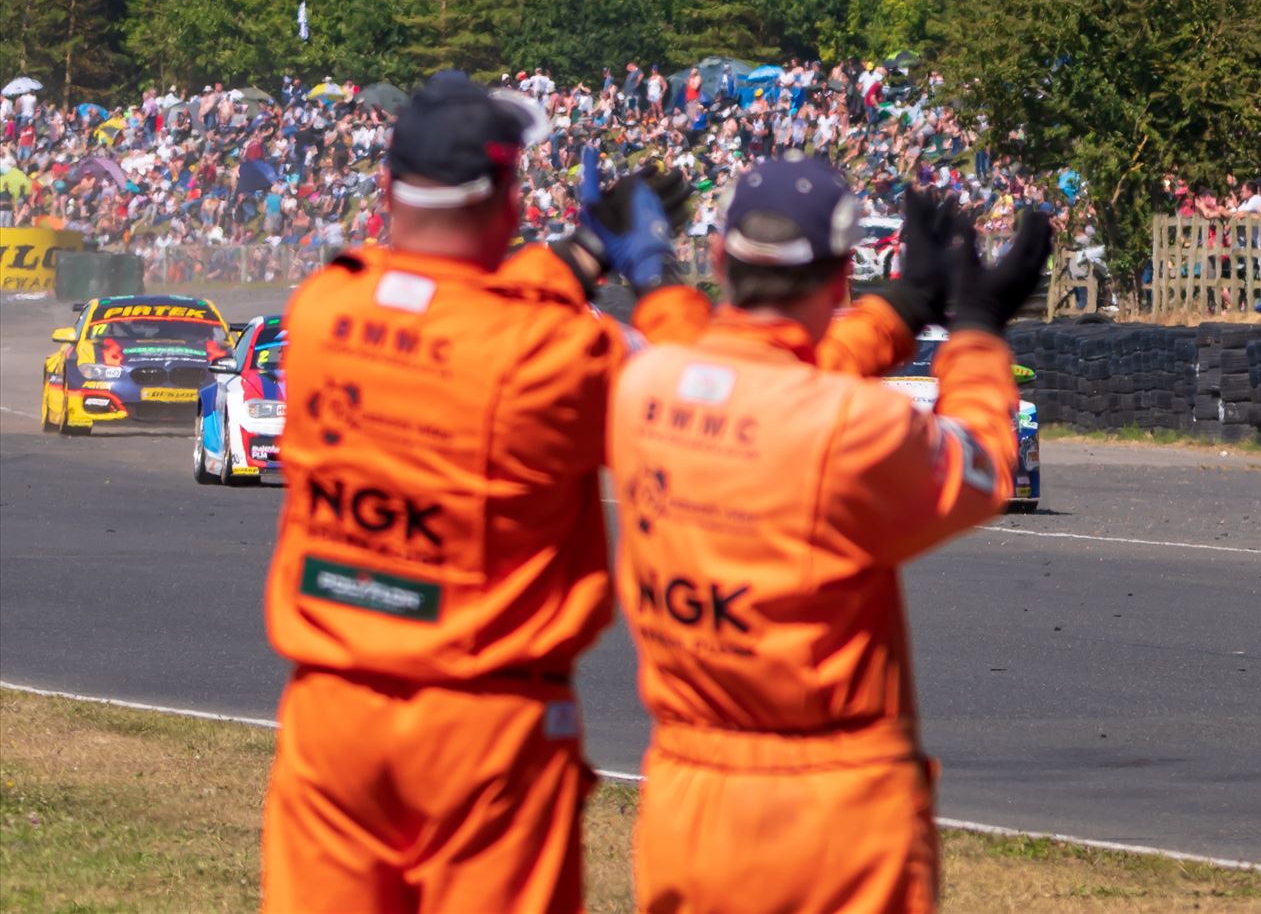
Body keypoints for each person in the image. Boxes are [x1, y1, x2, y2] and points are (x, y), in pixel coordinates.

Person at [259, 70, 672, 914]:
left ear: (385, 187)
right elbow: (699, 390)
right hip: (488, 728)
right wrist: (656, 281)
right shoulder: (559, 352)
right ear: (513, 197)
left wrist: (576, 258)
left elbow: (451, 313)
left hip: (332, 713)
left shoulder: (321, 308)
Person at [608, 156, 1051, 914]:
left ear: (719, 259)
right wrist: (973, 333)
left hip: (688, 796)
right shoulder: (853, 425)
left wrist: (904, 307)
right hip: (832, 808)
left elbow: (746, 363)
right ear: (843, 272)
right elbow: (981, 468)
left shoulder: (644, 387)